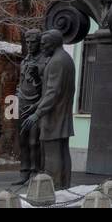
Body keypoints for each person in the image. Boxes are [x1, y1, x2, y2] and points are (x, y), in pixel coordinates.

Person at [19, 28, 76, 187]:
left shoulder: (57, 61)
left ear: (53, 43)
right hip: (59, 113)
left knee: (52, 153)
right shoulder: (65, 59)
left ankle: (55, 185)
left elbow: (53, 93)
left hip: (54, 115)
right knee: (61, 151)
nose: (42, 47)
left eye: (44, 44)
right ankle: (63, 184)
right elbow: (50, 91)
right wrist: (36, 105)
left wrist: (37, 113)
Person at [17, 29, 44, 181]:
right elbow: (19, 83)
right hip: (21, 103)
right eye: (27, 42)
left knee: (34, 141)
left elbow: (44, 89)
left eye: (33, 42)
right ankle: (24, 170)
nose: (29, 45)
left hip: (35, 105)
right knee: (22, 140)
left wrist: (35, 76)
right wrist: (15, 98)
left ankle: (35, 170)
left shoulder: (43, 61)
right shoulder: (24, 61)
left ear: (39, 42)